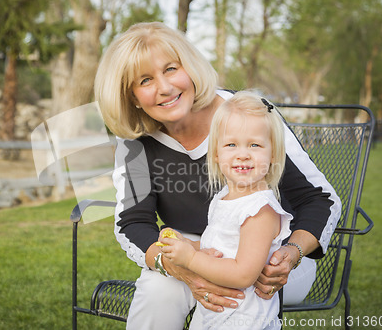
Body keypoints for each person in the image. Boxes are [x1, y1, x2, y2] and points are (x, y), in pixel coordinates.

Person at [94, 22, 341, 330]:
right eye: (145, 80)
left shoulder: (246, 114)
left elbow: (320, 199)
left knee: (242, 289)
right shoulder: (135, 144)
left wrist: (290, 254)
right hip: (197, 249)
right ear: (130, 96)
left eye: (171, 69)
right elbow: (133, 223)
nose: (165, 87)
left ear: (190, 67)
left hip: (271, 254)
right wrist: (175, 265)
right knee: (158, 290)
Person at [158, 91, 292, 329]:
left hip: (243, 319)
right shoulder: (224, 197)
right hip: (217, 316)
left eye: (255, 144)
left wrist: (190, 258)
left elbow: (244, 274)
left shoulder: (259, 211)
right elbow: (221, 247)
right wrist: (186, 245)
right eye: (231, 144)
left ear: (273, 154)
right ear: (217, 154)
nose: (243, 153)